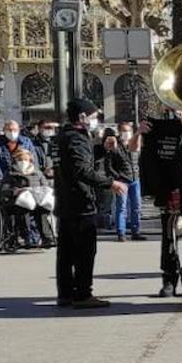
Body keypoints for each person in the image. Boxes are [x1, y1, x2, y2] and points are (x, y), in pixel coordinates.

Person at [55, 97, 127, 309]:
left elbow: (73, 164)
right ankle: (83, 294)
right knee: (85, 251)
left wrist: (101, 149)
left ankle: (65, 293)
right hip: (80, 202)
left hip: (65, 202)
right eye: (94, 116)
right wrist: (110, 182)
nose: (97, 120)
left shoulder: (62, 137)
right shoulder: (77, 139)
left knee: (65, 252)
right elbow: (82, 170)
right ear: (82, 117)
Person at [140, 112, 182, 297]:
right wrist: (140, 133)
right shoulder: (166, 127)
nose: (180, 115)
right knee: (169, 238)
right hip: (171, 191)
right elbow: (143, 153)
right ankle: (169, 280)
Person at [106, 121, 145, 241]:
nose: (126, 133)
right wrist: (116, 177)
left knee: (136, 206)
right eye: (123, 131)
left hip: (135, 178)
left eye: (128, 131)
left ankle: (135, 231)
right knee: (121, 207)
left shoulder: (135, 141)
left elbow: (138, 155)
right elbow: (110, 163)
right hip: (122, 179)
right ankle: (121, 232)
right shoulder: (115, 144)